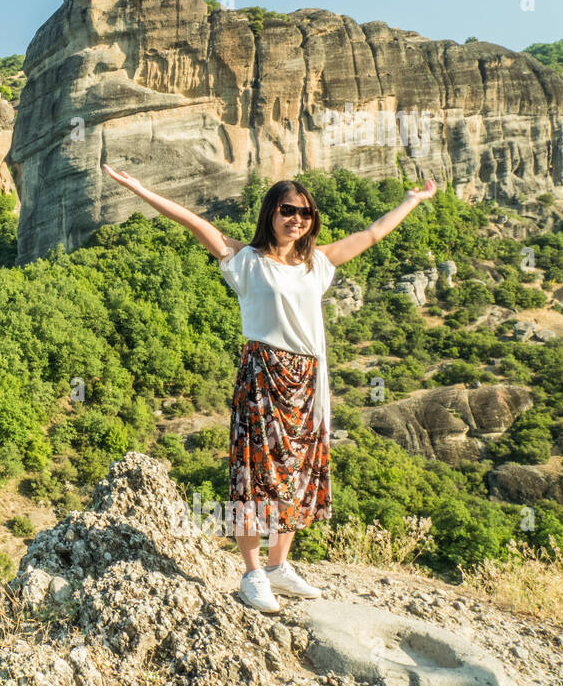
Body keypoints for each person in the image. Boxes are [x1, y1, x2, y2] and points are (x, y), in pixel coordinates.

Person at [102, 163, 437, 613]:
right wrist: (140, 188)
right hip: (263, 376)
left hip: (306, 381)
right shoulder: (245, 261)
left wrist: (412, 200)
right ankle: (253, 572)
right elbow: (191, 221)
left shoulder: (317, 263)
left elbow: (373, 234)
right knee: (255, 476)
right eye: (287, 210)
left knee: (296, 475)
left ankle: (281, 566)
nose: (296, 219)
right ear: (271, 214)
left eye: (305, 213)